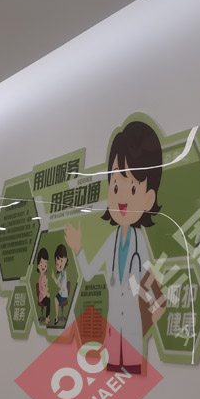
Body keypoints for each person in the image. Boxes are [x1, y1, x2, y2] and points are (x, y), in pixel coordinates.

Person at [64, 120, 167, 373]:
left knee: (130, 381)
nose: (121, 198)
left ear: (148, 198)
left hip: (133, 336)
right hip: (111, 334)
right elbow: (89, 273)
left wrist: (142, 325)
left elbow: (157, 296)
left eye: (132, 188)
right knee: (112, 381)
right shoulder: (111, 241)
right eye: (116, 186)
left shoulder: (141, 242)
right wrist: (78, 249)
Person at [53, 244, 70, 326]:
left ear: (65, 260)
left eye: (61, 262)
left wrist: (59, 287)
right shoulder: (61, 274)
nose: (59, 265)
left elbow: (62, 287)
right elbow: (57, 283)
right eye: (57, 264)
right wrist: (54, 277)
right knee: (54, 299)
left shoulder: (64, 274)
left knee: (55, 299)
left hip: (63, 294)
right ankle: (56, 317)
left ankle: (57, 317)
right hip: (61, 293)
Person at [36, 249, 51, 325]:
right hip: (41, 298)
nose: (43, 266)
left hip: (45, 296)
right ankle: (46, 318)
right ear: (38, 265)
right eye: (41, 264)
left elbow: (46, 287)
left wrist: (47, 292)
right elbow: (40, 289)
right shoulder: (41, 277)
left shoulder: (45, 277)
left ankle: (47, 317)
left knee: (49, 300)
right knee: (48, 302)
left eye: (45, 265)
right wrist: (45, 293)